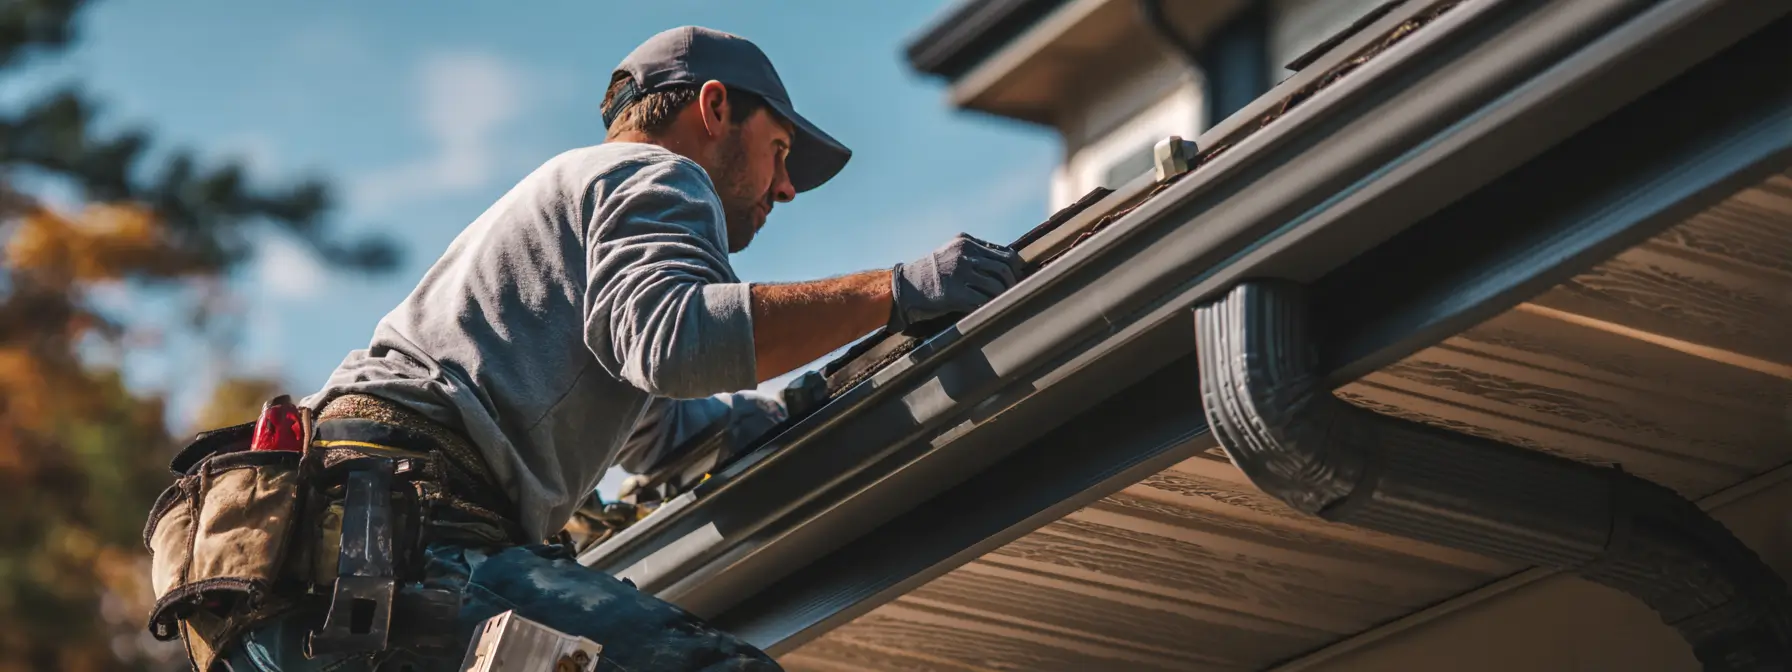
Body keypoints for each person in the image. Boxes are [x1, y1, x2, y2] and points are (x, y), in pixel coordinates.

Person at [210, 25, 1026, 672]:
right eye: (779, 151)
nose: (784, 188)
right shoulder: (653, 176)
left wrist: (783, 412)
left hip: (289, 596)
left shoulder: (552, 225)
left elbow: (663, 430)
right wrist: (898, 289)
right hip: (407, 551)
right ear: (714, 109)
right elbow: (675, 342)